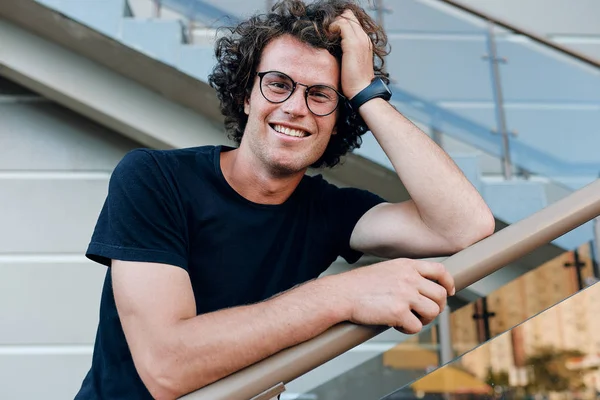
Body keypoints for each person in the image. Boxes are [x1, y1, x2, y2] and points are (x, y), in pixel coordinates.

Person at [75, 0, 494, 399]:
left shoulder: (328, 212)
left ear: (338, 119)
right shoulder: (153, 179)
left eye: (320, 95)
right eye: (278, 85)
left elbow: (465, 226)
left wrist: (365, 91)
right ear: (246, 95)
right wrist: (343, 294)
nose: (295, 107)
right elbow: (166, 368)